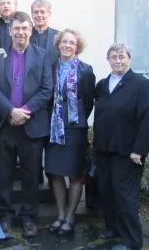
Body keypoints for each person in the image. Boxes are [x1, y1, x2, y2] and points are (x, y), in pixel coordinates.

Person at [0, 11, 53, 238]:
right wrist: (10, 111)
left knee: (31, 174)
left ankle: (29, 217)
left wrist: (24, 111)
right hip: (6, 123)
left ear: (30, 31)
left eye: (25, 28)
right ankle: (4, 215)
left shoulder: (43, 55)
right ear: (9, 30)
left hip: (31, 124)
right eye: (17, 28)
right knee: (4, 174)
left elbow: (46, 90)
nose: (21, 32)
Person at [93, 43, 149, 250]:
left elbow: (148, 119)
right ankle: (114, 229)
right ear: (108, 60)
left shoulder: (139, 84)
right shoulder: (102, 85)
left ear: (129, 58)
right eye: (113, 57)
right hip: (104, 148)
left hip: (128, 151)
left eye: (122, 57)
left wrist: (140, 149)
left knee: (125, 195)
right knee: (107, 190)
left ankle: (132, 241)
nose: (118, 61)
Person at [44, 29, 95, 235]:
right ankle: (61, 213)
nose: (67, 45)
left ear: (77, 46)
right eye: (64, 42)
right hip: (54, 129)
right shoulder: (51, 68)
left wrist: (74, 118)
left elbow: (89, 101)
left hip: (75, 129)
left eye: (71, 43)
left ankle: (71, 215)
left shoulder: (85, 70)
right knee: (55, 173)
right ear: (58, 45)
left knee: (75, 174)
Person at [29, 0, 59, 66]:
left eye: (42, 12)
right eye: (36, 12)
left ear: (49, 14)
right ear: (32, 14)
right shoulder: (26, 36)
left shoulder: (58, 36)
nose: (39, 15)